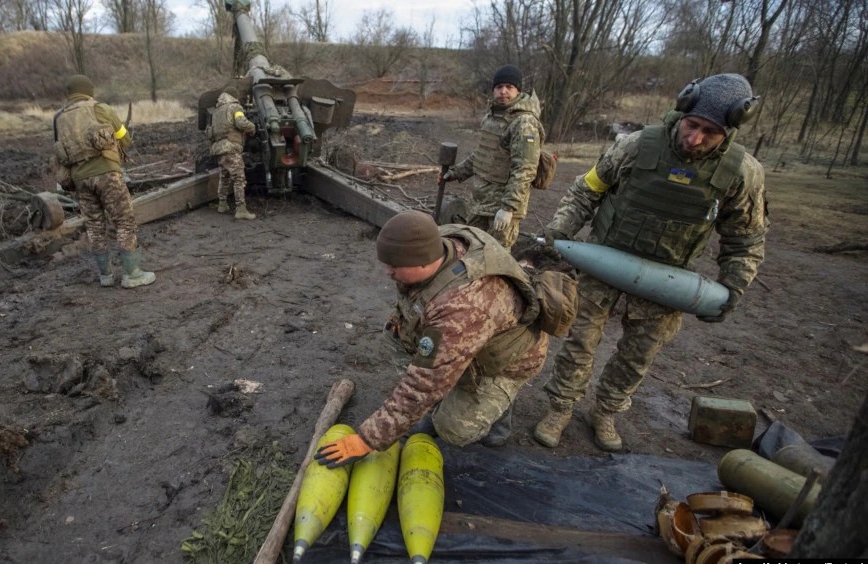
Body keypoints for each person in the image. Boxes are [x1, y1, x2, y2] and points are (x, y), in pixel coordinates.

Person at [533, 73, 768, 452]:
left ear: (730, 131)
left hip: (667, 282)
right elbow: (586, 191)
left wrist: (734, 287)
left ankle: (605, 411)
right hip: (603, 265)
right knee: (578, 342)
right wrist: (559, 231)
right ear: (682, 109)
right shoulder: (637, 145)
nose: (695, 139)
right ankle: (560, 407)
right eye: (692, 125)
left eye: (710, 132)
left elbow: (746, 238)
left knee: (637, 356)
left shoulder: (742, 174)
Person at [314, 210, 577, 469]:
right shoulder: (437, 241)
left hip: (508, 360)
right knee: (394, 339)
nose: (387, 272)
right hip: (472, 336)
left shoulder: (462, 307)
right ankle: (455, 380)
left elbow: (423, 385)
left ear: (421, 263)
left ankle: (500, 407)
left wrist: (367, 439)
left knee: (452, 429)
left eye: (394, 266)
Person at [52, 74, 156, 289]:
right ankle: (132, 274)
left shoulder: (59, 118)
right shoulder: (100, 108)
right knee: (124, 221)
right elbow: (124, 138)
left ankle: (105, 276)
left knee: (94, 226)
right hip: (107, 174)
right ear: (89, 90)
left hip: (80, 179)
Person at [440, 64, 544, 249]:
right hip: (481, 201)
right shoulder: (492, 116)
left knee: (495, 258)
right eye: (499, 87)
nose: (503, 91)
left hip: (501, 208)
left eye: (509, 87)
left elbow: (525, 169)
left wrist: (508, 208)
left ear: (518, 90)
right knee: (471, 250)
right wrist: (456, 173)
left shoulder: (524, 122)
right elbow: (482, 154)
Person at [208, 90, 257, 220]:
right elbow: (241, 122)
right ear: (234, 97)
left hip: (219, 148)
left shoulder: (217, 112)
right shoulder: (234, 107)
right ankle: (241, 209)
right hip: (231, 147)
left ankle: (222, 204)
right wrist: (252, 127)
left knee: (224, 177)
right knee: (239, 178)